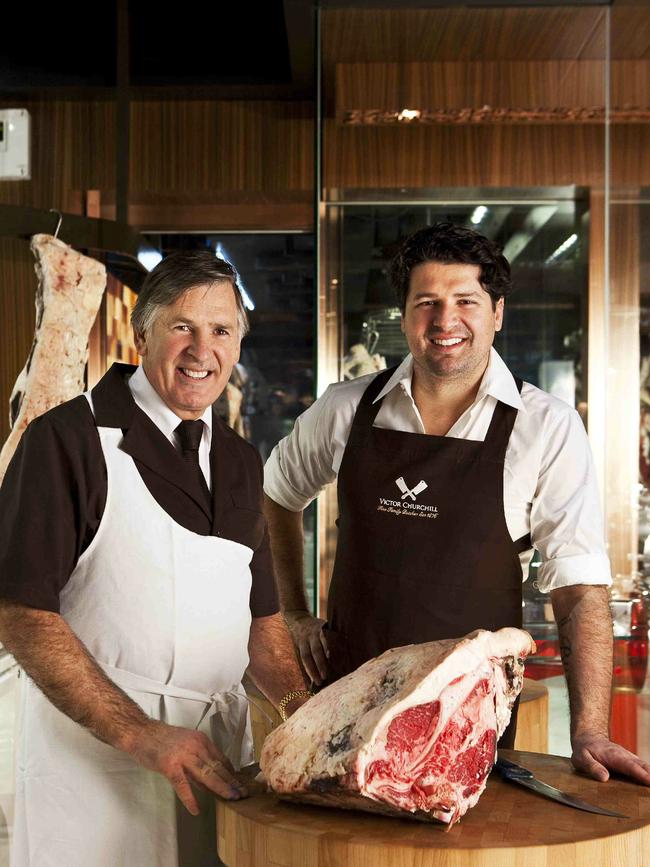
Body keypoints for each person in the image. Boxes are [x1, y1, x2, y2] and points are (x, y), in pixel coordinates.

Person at [264, 222, 650, 786]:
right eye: (427, 303)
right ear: (404, 316)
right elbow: (274, 495)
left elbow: (578, 589)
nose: (445, 322)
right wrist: (292, 613)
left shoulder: (547, 428)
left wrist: (589, 729)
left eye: (465, 301)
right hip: (347, 706)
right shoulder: (345, 409)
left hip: (469, 724)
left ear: (497, 312)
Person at [0, 251, 310, 867]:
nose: (203, 350)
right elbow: (20, 613)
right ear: (142, 333)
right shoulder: (70, 439)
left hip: (215, 762)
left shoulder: (243, 462)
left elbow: (263, 629)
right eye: (182, 327)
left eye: (221, 331)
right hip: (89, 762)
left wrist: (320, 727)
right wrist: (142, 734)